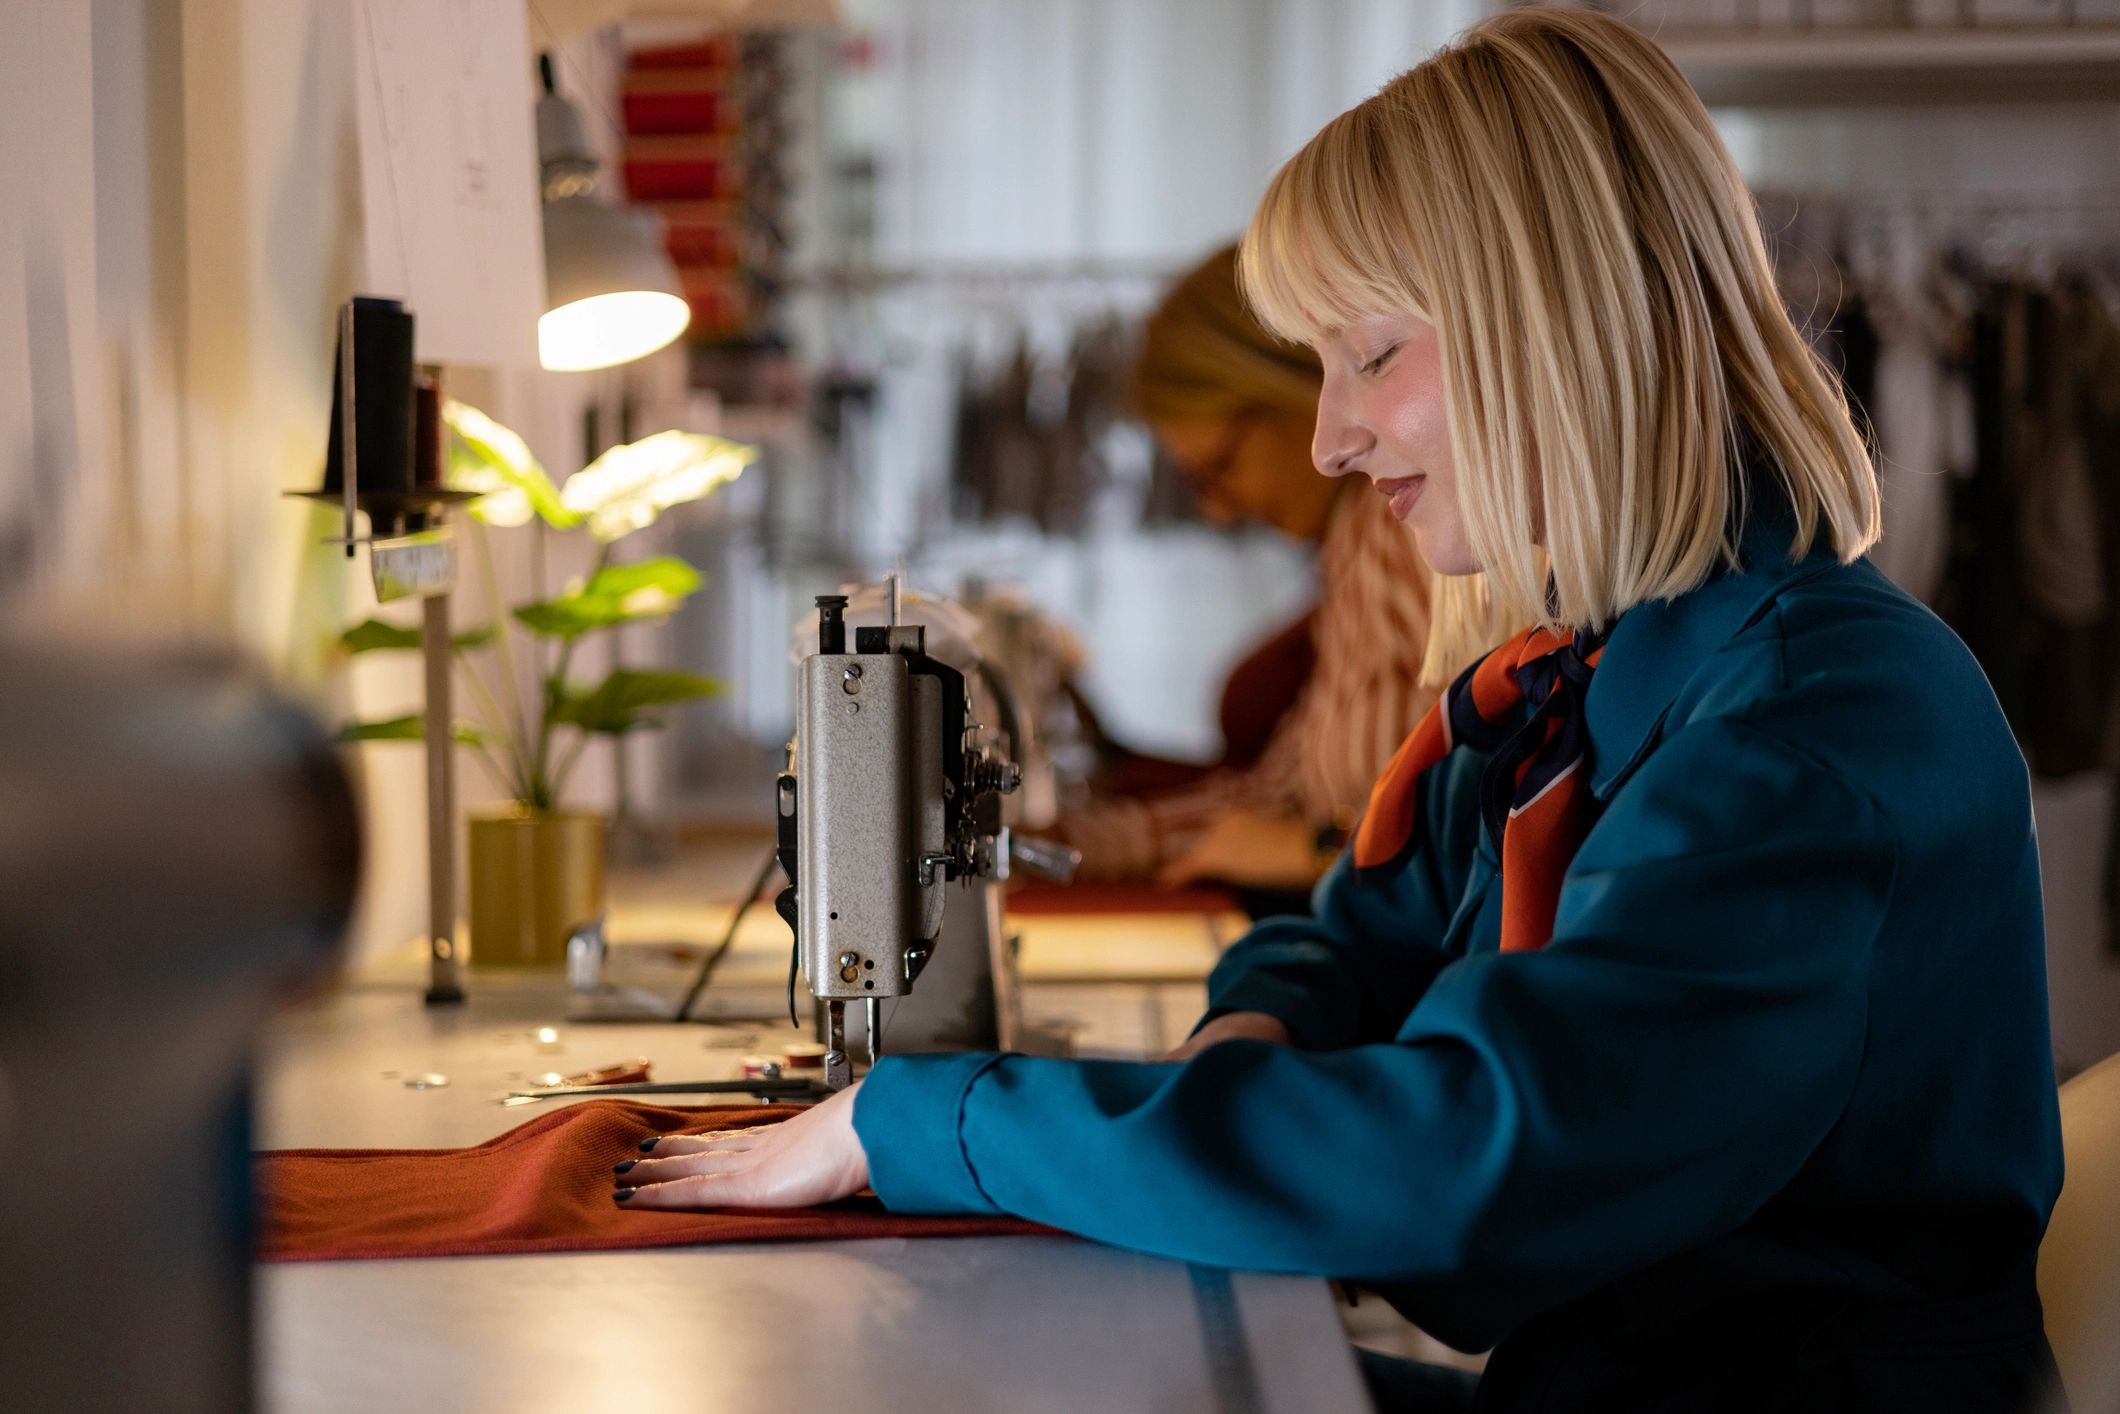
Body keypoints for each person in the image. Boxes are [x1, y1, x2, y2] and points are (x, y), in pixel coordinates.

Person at [612, 12, 2065, 1411]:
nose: (1329, 433)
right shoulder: (1592, 671)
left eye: (1371, 353)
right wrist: (1253, 1037)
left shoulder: (1814, 732)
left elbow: (1471, 1156)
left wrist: (920, 1120)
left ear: (1551, 330)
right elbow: (1354, 932)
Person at [1059, 245, 1441, 900]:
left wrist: (1312, 850)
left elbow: (1473, 832)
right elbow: (1274, 795)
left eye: (1222, 467)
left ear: (1291, 386)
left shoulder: (1407, 536)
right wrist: (1067, 844)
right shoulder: (1354, 552)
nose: (1218, 510)